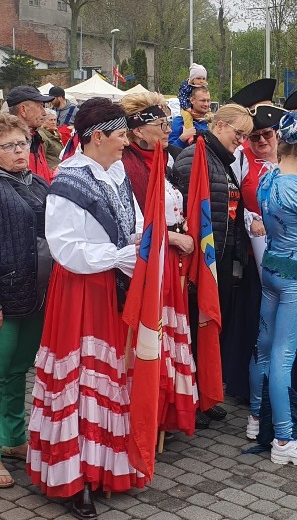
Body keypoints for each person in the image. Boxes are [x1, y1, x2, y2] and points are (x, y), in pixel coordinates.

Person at [27, 98, 145, 520]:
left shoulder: (115, 172)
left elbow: (130, 225)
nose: (125, 143)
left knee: (105, 377)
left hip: (108, 285)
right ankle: (73, 477)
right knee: (78, 380)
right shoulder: (69, 179)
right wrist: (117, 257)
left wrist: (139, 244)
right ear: (98, 136)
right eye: (120, 136)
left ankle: (102, 465)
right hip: (80, 288)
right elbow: (65, 247)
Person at [0, 115, 51, 489]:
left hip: (36, 294)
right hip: (1, 295)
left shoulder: (36, 182)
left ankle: (13, 438)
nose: (20, 151)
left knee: (20, 369)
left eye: (22, 143)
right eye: (9, 145)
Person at [247, 112, 297, 467]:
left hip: (272, 269)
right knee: (281, 355)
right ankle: (283, 438)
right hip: (296, 276)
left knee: (263, 348)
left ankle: (255, 419)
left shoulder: (267, 180)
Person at [120, 91, 198, 436]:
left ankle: (163, 412)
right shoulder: (130, 167)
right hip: (149, 265)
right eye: (160, 123)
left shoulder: (162, 159)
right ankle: (144, 414)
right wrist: (172, 237)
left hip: (172, 264)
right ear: (138, 131)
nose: (168, 129)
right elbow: (135, 228)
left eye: (168, 122)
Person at [173, 103, 254, 428]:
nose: (242, 141)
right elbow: (184, 214)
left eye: (245, 136)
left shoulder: (220, 159)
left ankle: (203, 395)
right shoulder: (196, 157)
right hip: (197, 265)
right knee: (193, 330)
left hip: (217, 260)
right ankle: (190, 400)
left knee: (207, 329)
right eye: (239, 133)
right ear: (219, 125)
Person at [6, 85, 55, 182]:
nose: (44, 113)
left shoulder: (35, 138)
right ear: (23, 110)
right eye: (40, 106)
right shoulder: (4, 146)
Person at [168, 86, 211, 151]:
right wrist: (182, 138)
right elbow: (169, 151)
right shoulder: (179, 121)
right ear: (192, 100)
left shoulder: (212, 122)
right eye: (203, 100)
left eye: (208, 101)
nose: (206, 104)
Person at [177, 63, 209, 142]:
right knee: (187, 117)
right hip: (186, 108)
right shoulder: (178, 122)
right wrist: (182, 139)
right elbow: (182, 98)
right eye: (202, 100)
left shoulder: (215, 123)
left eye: (203, 79)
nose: (201, 81)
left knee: (211, 116)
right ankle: (190, 136)